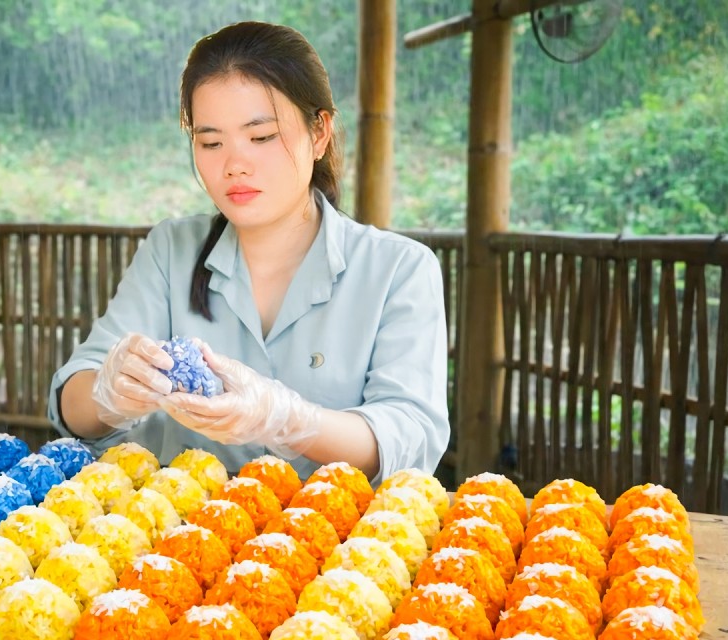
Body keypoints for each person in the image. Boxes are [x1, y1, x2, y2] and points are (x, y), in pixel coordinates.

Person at [46, 21, 448, 482]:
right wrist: (108, 392)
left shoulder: (399, 269)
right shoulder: (172, 251)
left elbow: (409, 433)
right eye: (211, 142)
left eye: (261, 137)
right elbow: (72, 405)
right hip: (182, 538)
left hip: (344, 546)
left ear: (319, 133)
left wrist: (289, 419)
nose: (234, 164)